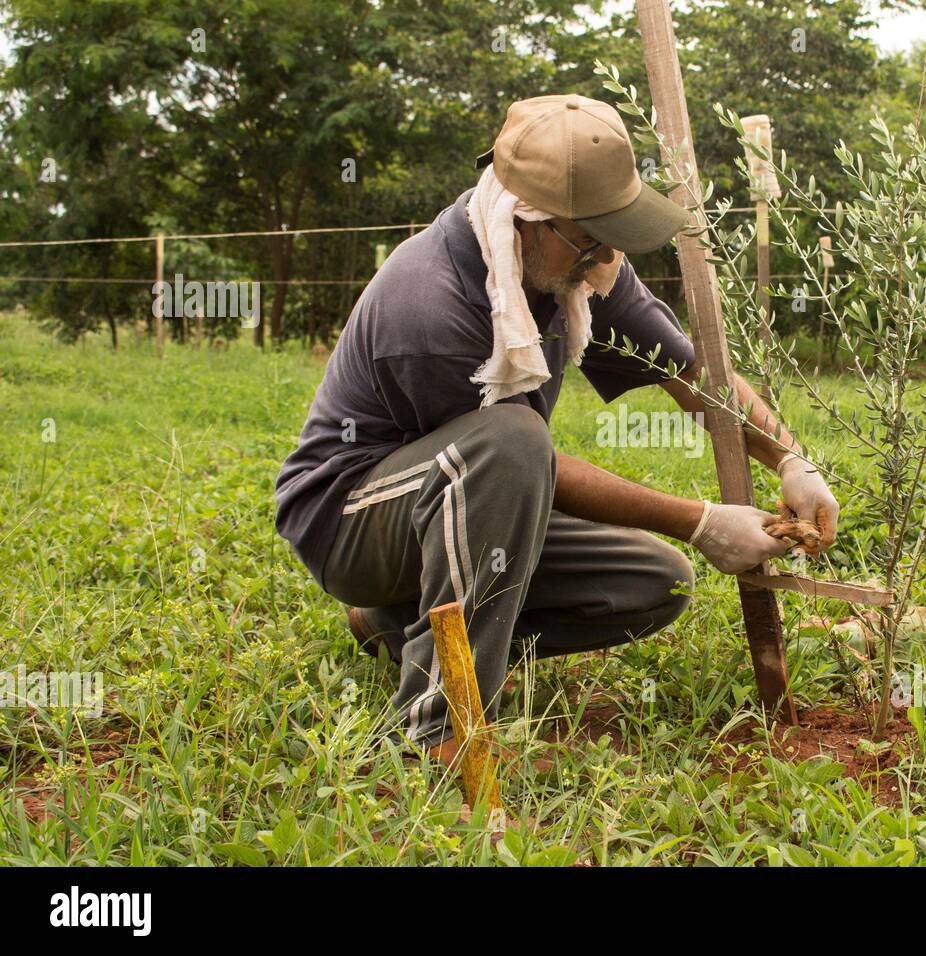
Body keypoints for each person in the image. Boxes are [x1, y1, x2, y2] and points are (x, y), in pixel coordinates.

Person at [274, 94, 839, 757]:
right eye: (593, 239)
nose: (606, 262)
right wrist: (701, 521)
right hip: (351, 519)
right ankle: (436, 731)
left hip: (462, 503)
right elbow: (514, 460)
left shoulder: (573, 265)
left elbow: (688, 372)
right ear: (527, 218)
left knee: (656, 580)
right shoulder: (431, 302)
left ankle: (394, 620)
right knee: (513, 440)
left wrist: (792, 460)